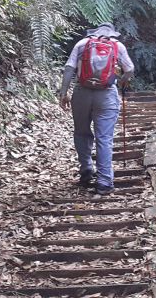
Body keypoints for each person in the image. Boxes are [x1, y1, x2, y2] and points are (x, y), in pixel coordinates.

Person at [58, 22, 134, 195]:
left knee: (81, 132)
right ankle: (104, 181)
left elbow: (69, 68)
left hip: (82, 93)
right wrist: (121, 80)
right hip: (106, 95)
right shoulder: (117, 45)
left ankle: (86, 169)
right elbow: (130, 69)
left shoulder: (82, 44)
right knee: (104, 138)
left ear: (94, 32)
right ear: (112, 33)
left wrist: (63, 93)